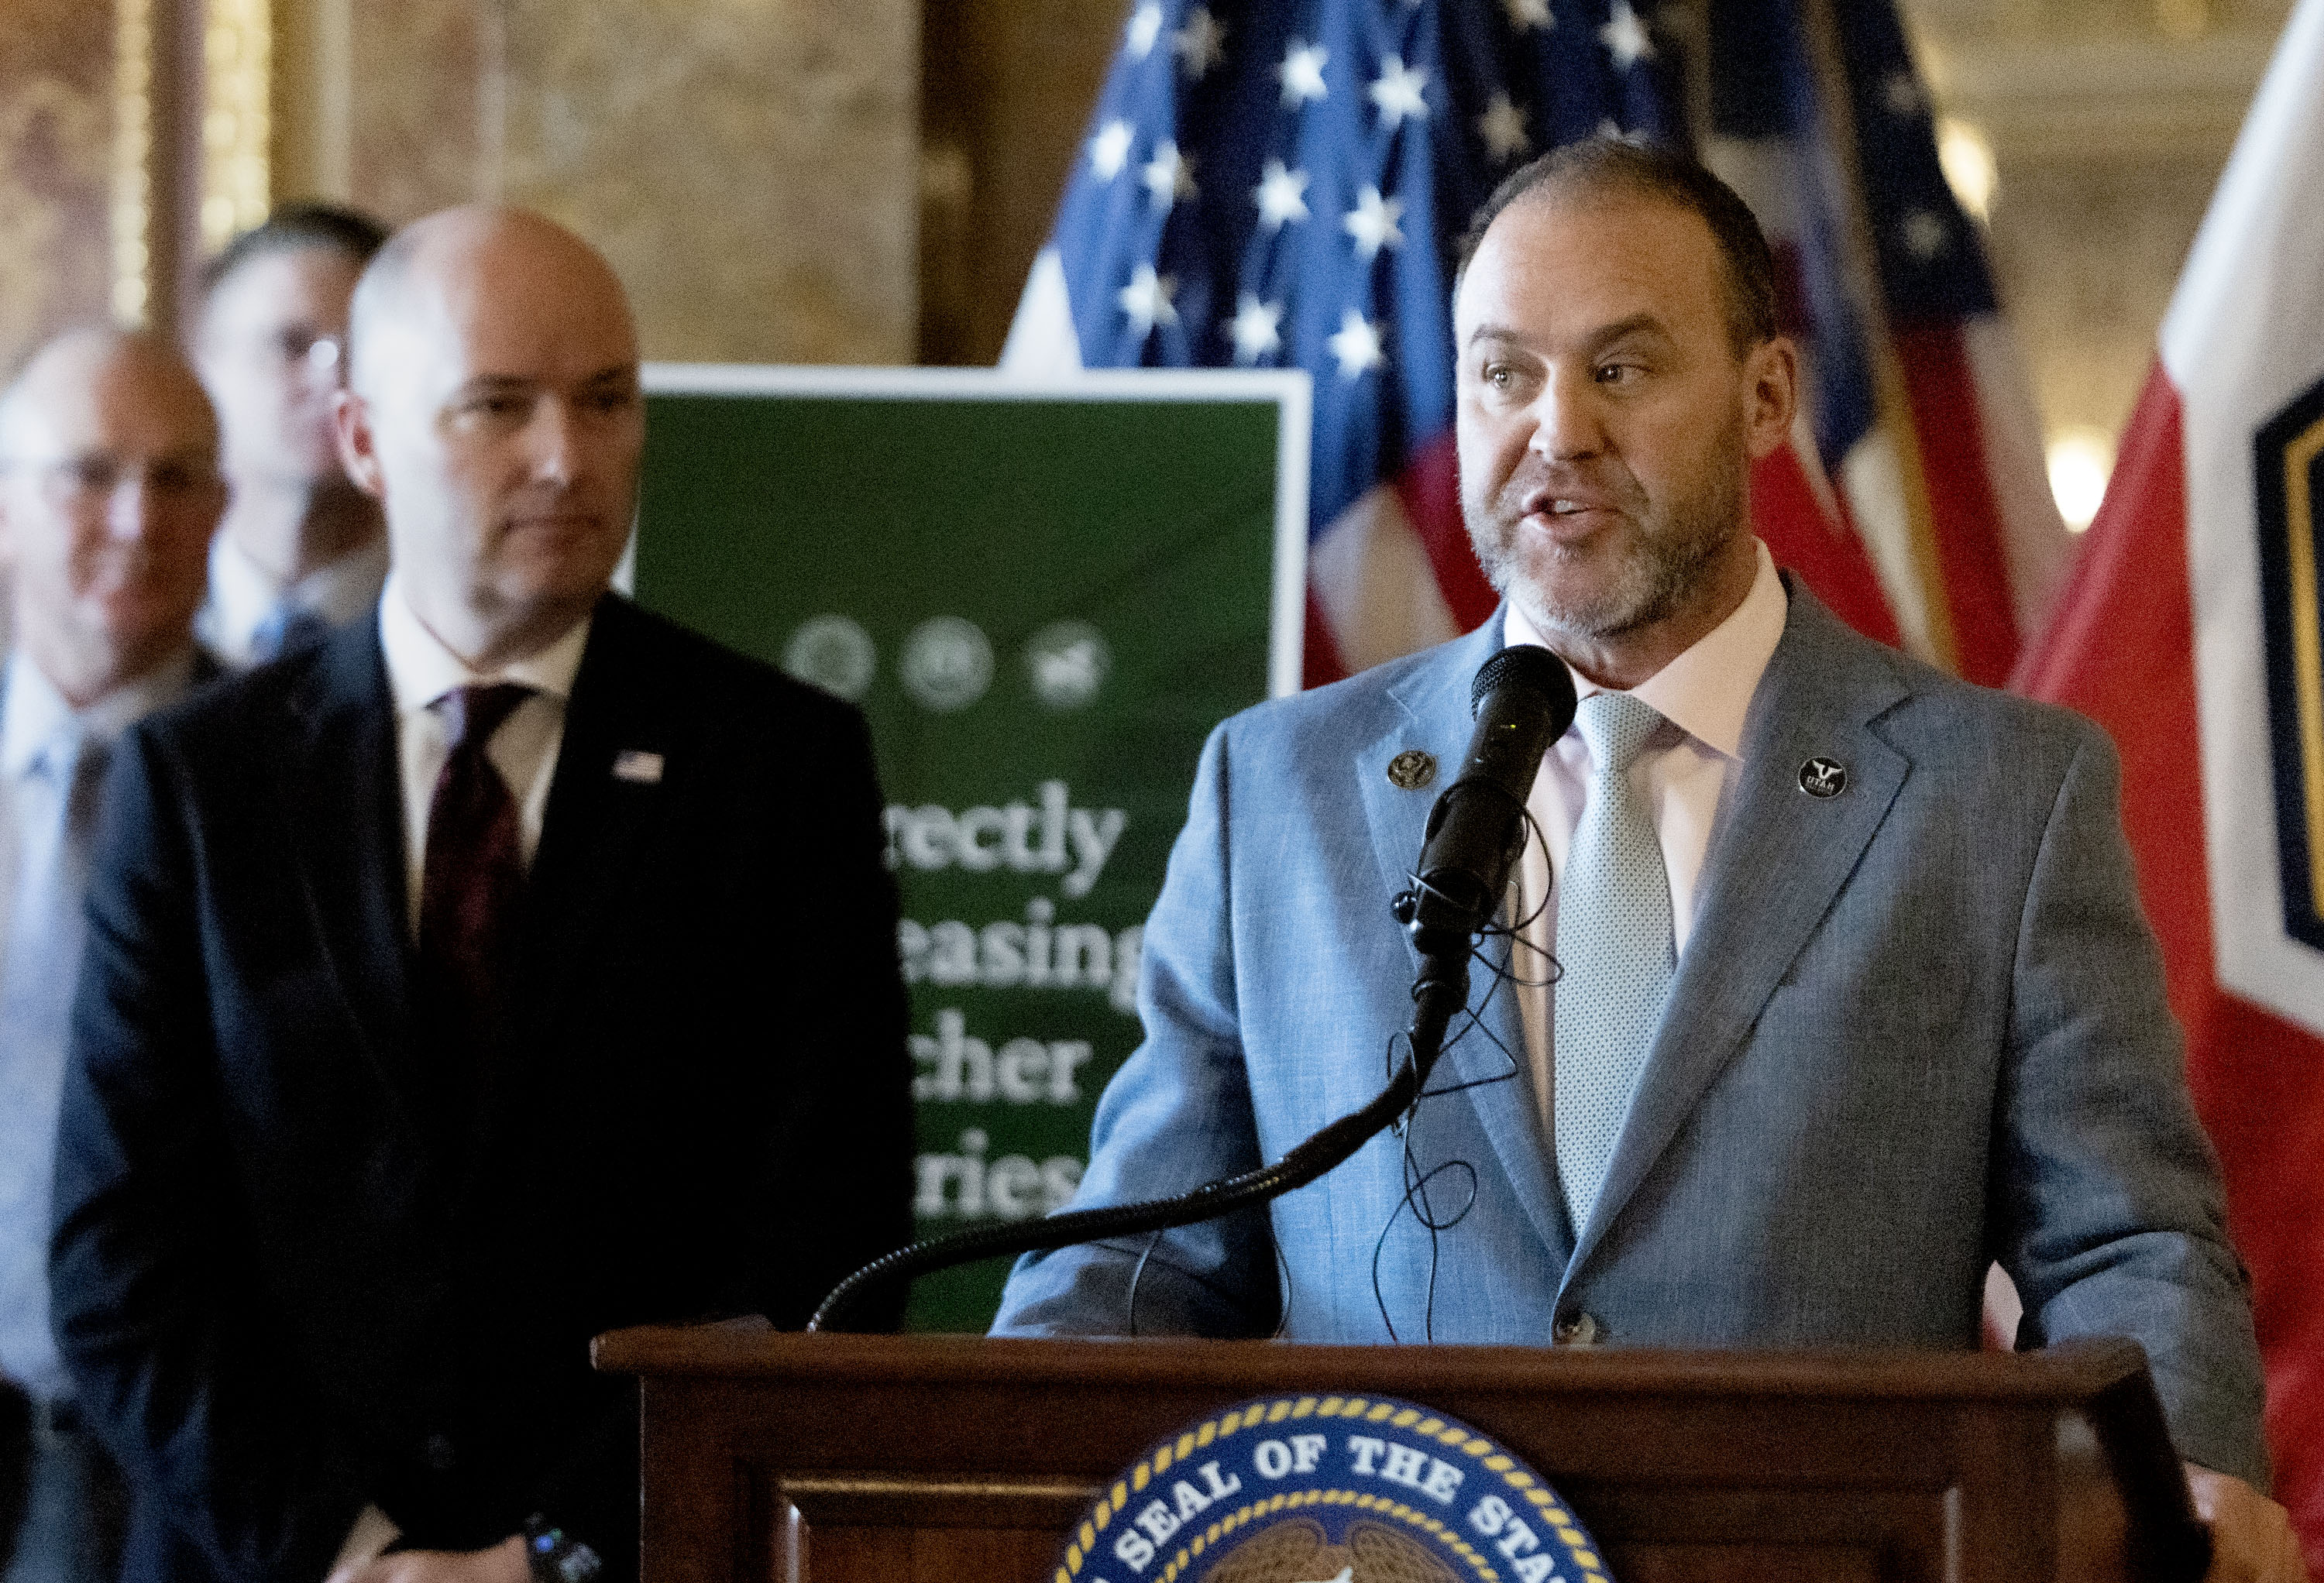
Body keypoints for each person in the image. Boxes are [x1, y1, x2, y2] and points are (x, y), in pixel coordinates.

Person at [990, 139, 2302, 1579]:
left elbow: (2122, 1237)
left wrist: (2184, 1466)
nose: (1555, 429)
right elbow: (1150, 1251)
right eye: (1504, 373)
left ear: (1766, 397)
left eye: (1621, 370)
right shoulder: (1281, 787)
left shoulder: (2000, 792)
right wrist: (987, 1459)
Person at [49, 208, 915, 1583]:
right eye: (496, 406)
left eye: (608, 399)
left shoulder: (776, 765)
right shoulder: (199, 780)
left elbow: (829, 1236)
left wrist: (557, 1549)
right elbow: (124, 1256)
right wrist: (355, 1549)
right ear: (363, 439)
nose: (567, 456)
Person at [0, 328, 225, 1583]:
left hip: (189, 1455)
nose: (139, 517)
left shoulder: (305, 788)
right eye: (88, 473)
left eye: (181, 476)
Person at [194, 203, 393, 667]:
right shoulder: (133, 614)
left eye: (360, 346)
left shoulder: (466, 621)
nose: (332, 377)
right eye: (290, 345)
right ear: (205, 369)